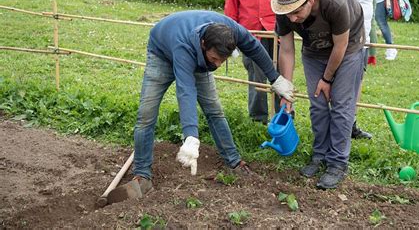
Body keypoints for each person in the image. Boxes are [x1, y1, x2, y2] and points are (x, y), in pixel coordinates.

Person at [109, 11, 295, 202]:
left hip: (198, 58)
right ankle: (142, 175)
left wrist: (275, 78)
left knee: (214, 109)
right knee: (146, 115)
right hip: (162, 53)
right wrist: (191, 136)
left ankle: (234, 162)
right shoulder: (183, 48)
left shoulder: (230, 30)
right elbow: (186, 90)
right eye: (215, 59)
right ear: (204, 44)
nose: (218, 65)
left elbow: (254, 47)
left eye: (222, 61)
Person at [271, 0, 365, 189]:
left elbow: (340, 46)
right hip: (314, 48)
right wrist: (286, 89)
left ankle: (337, 163)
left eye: (297, 12)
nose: (292, 19)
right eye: (289, 14)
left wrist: (327, 78)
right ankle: (319, 155)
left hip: (348, 46)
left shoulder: (334, 3)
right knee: (318, 104)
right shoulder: (284, 8)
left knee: (341, 105)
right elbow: (286, 49)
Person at [225, 0, 295, 123]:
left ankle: (284, 116)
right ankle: (258, 119)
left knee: (283, 74)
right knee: (256, 77)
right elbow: (231, 3)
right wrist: (232, 37)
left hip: (280, 31)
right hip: (251, 32)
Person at [329, 0, 398, 139]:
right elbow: (336, 11)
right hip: (345, 44)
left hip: (359, 43)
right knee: (342, 89)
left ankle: (349, 124)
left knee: (355, 85)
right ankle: (337, 128)